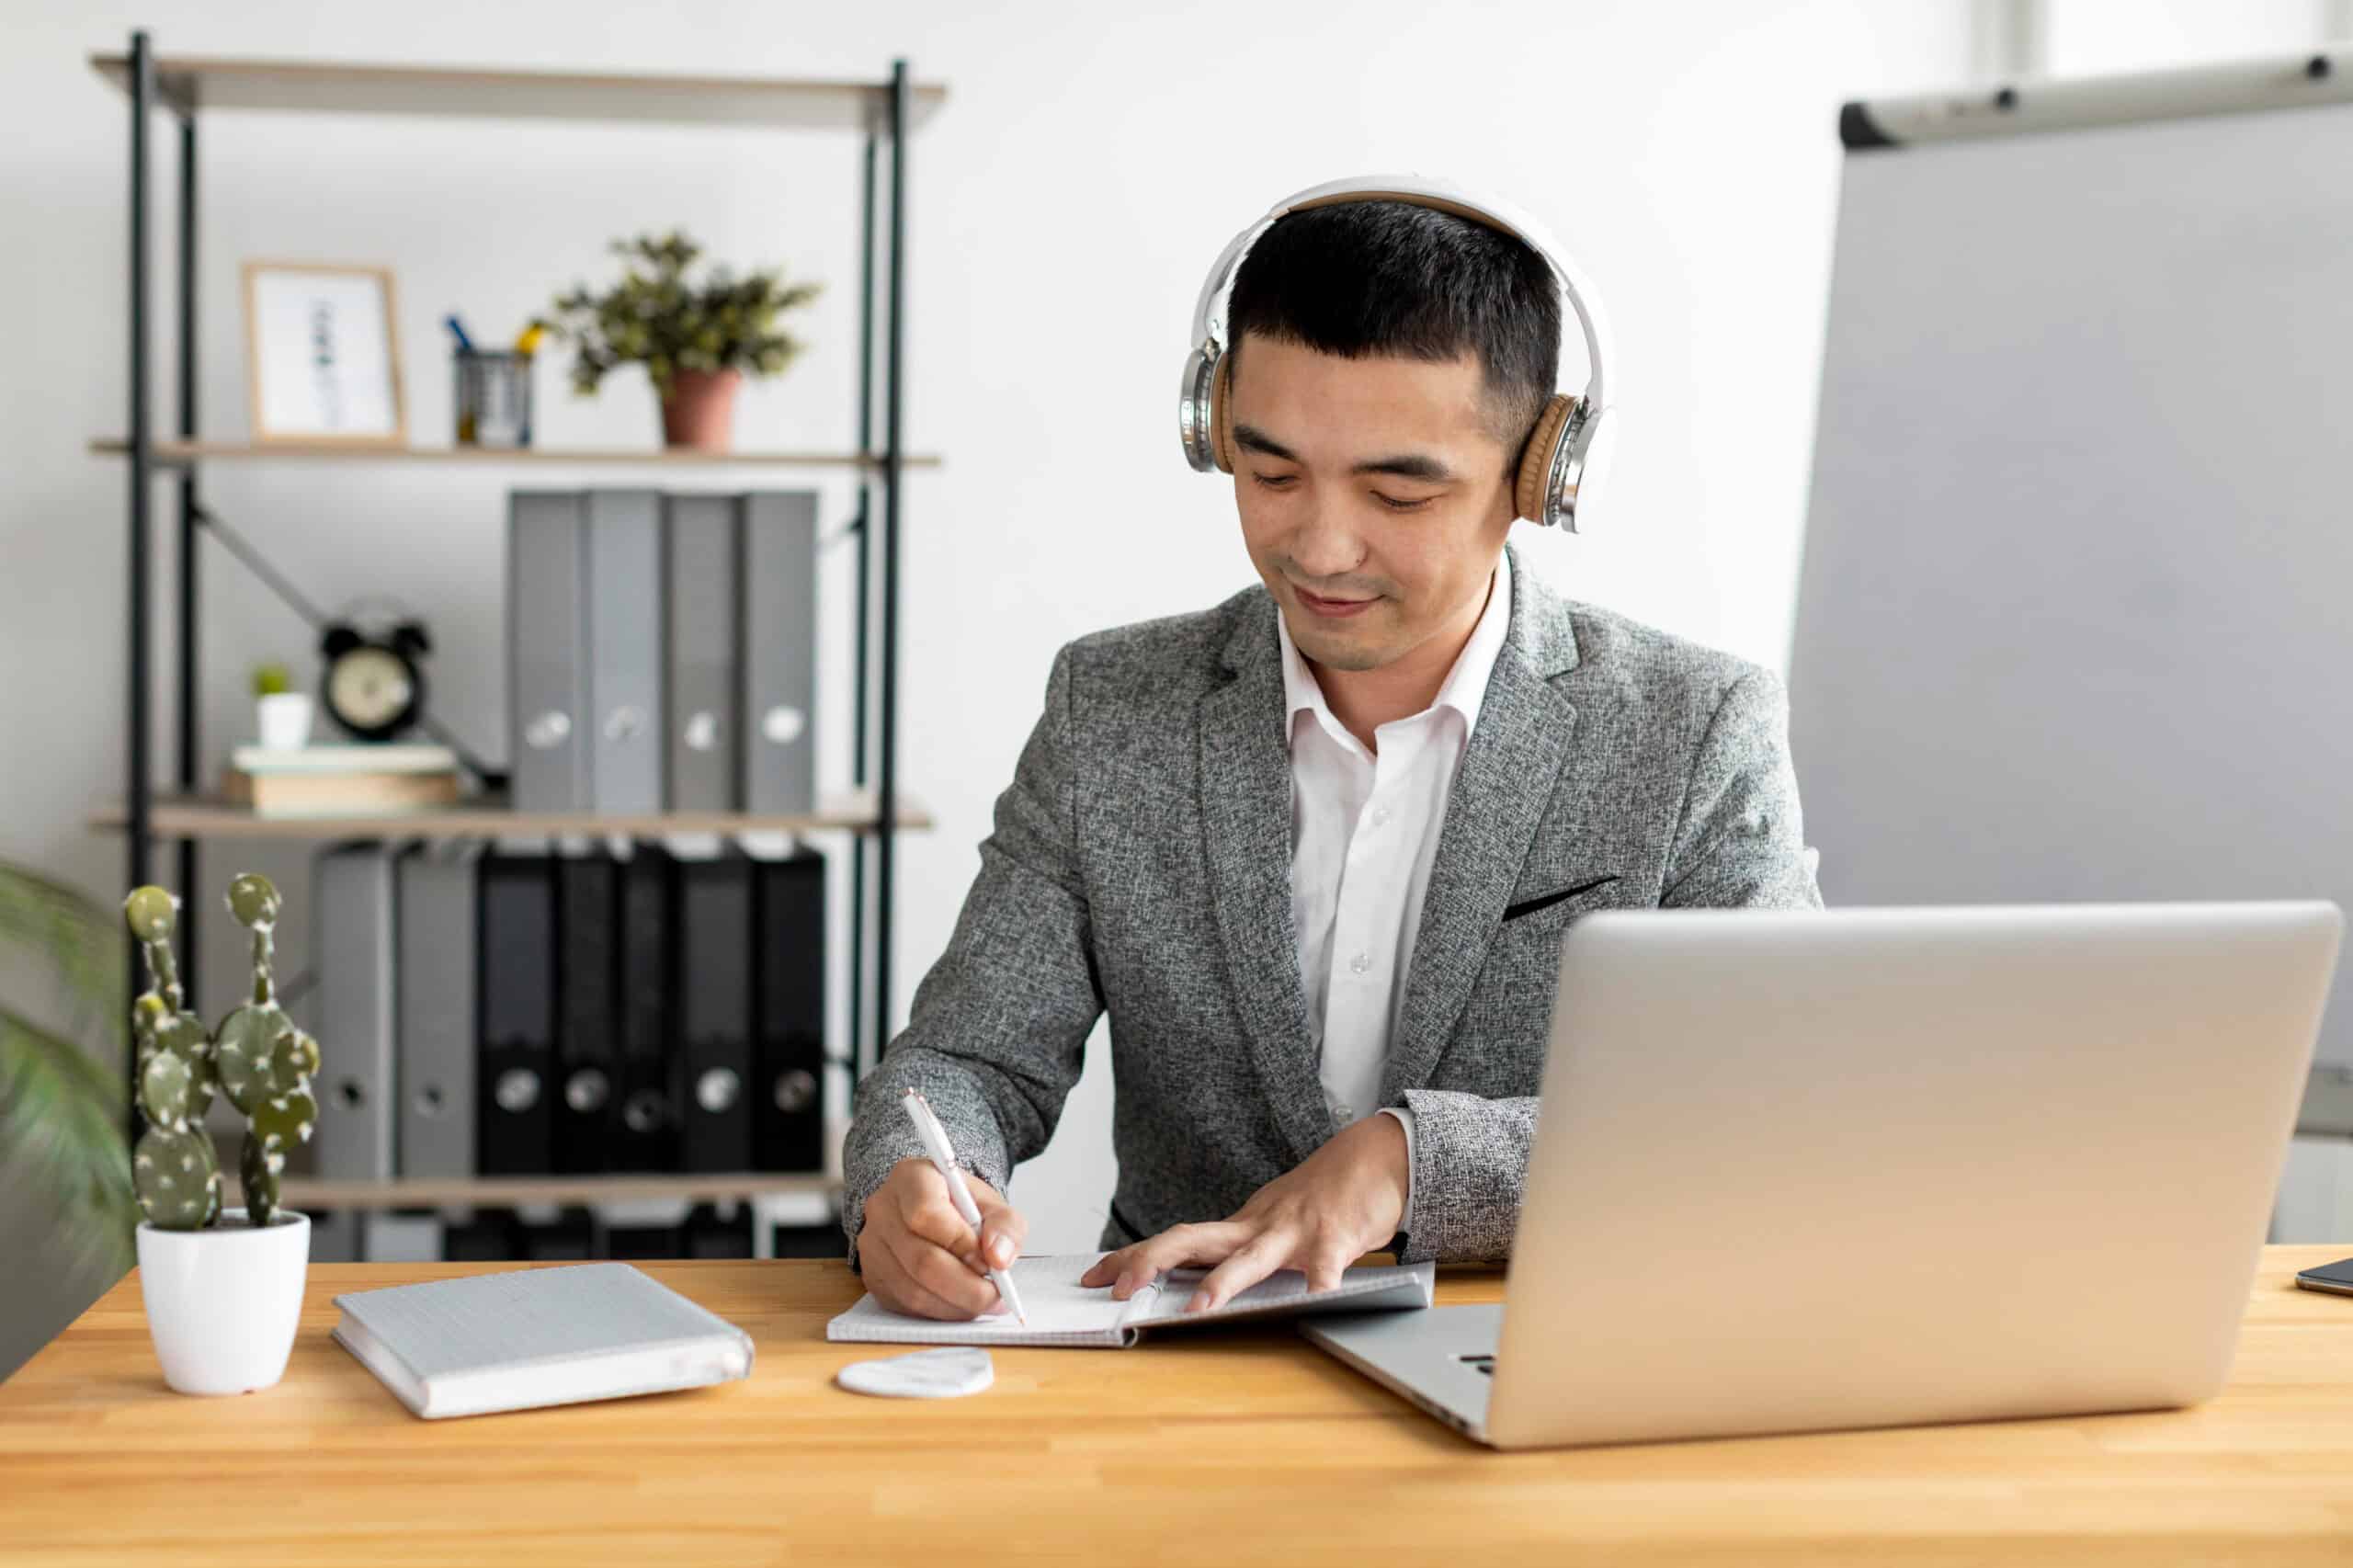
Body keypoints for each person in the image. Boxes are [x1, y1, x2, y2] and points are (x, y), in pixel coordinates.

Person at [843, 180, 1822, 1321]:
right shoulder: (1109, 708)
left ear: (1542, 475)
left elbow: (1769, 1093)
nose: (1318, 543)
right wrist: (918, 1179)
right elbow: (962, 1059)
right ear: (1212, 429)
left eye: (1399, 490)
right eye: (1270, 474)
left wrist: (1409, 1162)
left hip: (1547, 1349)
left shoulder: (1693, 727)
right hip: (1185, 1371)